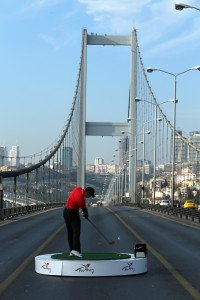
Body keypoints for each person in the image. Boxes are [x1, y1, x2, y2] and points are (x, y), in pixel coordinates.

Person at [63, 186, 95, 257]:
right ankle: (76, 251)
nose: (89, 197)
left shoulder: (78, 188)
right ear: (88, 193)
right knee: (76, 232)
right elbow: (84, 209)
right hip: (72, 213)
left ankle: (72, 251)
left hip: (65, 212)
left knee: (70, 233)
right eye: (90, 195)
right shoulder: (81, 199)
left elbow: (79, 205)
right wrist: (86, 215)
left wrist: (83, 212)